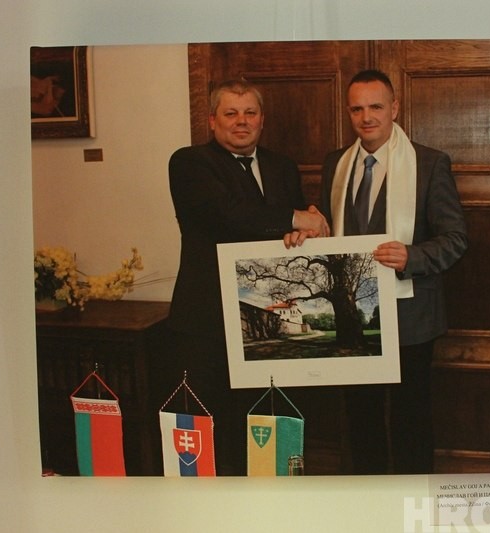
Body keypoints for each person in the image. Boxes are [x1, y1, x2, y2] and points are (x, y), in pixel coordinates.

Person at [285, 69, 468, 474]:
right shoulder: (336, 163)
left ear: (394, 108)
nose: (366, 117)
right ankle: (368, 498)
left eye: (376, 107)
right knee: (360, 417)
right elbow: (329, 231)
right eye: (357, 109)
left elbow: (455, 238)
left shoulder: (429, 163)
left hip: (410, 316)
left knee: (411, 420)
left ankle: (411, 499)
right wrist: (306, 236)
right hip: (353, 315)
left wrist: (412, 257)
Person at [166, 79, 329, 475]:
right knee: (212, 423)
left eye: (250, 113)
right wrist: (296, 218)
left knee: (267, 421)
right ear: (212, 120)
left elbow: (290, 235)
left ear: (262, 120)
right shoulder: (189, 162)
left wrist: (302, 230)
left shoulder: (282, 166)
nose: (241, 121)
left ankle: (267, 501)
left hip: (265, 320)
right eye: (231, 113)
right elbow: (226, 215)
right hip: (207, 320)